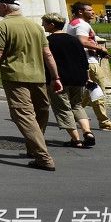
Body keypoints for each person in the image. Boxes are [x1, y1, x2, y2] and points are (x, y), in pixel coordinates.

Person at [0, 0, 63, 171]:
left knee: (23, 115)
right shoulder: (35, 26)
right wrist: (56, 77)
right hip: (38, 76)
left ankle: (43, 157)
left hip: (15, 76)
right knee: (41, 111)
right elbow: (47, 54)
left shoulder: (1, 26)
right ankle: (33, 149)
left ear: (4, 6)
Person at [67, 2, 111, 132]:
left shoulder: (75, 23)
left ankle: (74, 115)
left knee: (90, 91)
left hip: (86, 60)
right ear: (80, 12)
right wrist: (100, 48)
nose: (93, 12)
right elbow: (82, 41)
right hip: (89, 62)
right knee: (98, 90)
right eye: (90, 10)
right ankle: (104, 122)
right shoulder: (81, 24)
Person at [42, 13, 94, 148]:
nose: (43, 25)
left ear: (52, 25)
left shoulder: (48, 41)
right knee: (77, 105)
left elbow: (46, 60)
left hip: (59, 79)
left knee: (63, 108)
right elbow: (84, 59)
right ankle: (88, 132)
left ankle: (76, 140)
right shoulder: (74, 40)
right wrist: (87, 77)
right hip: (78, 77)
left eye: (45, 23)